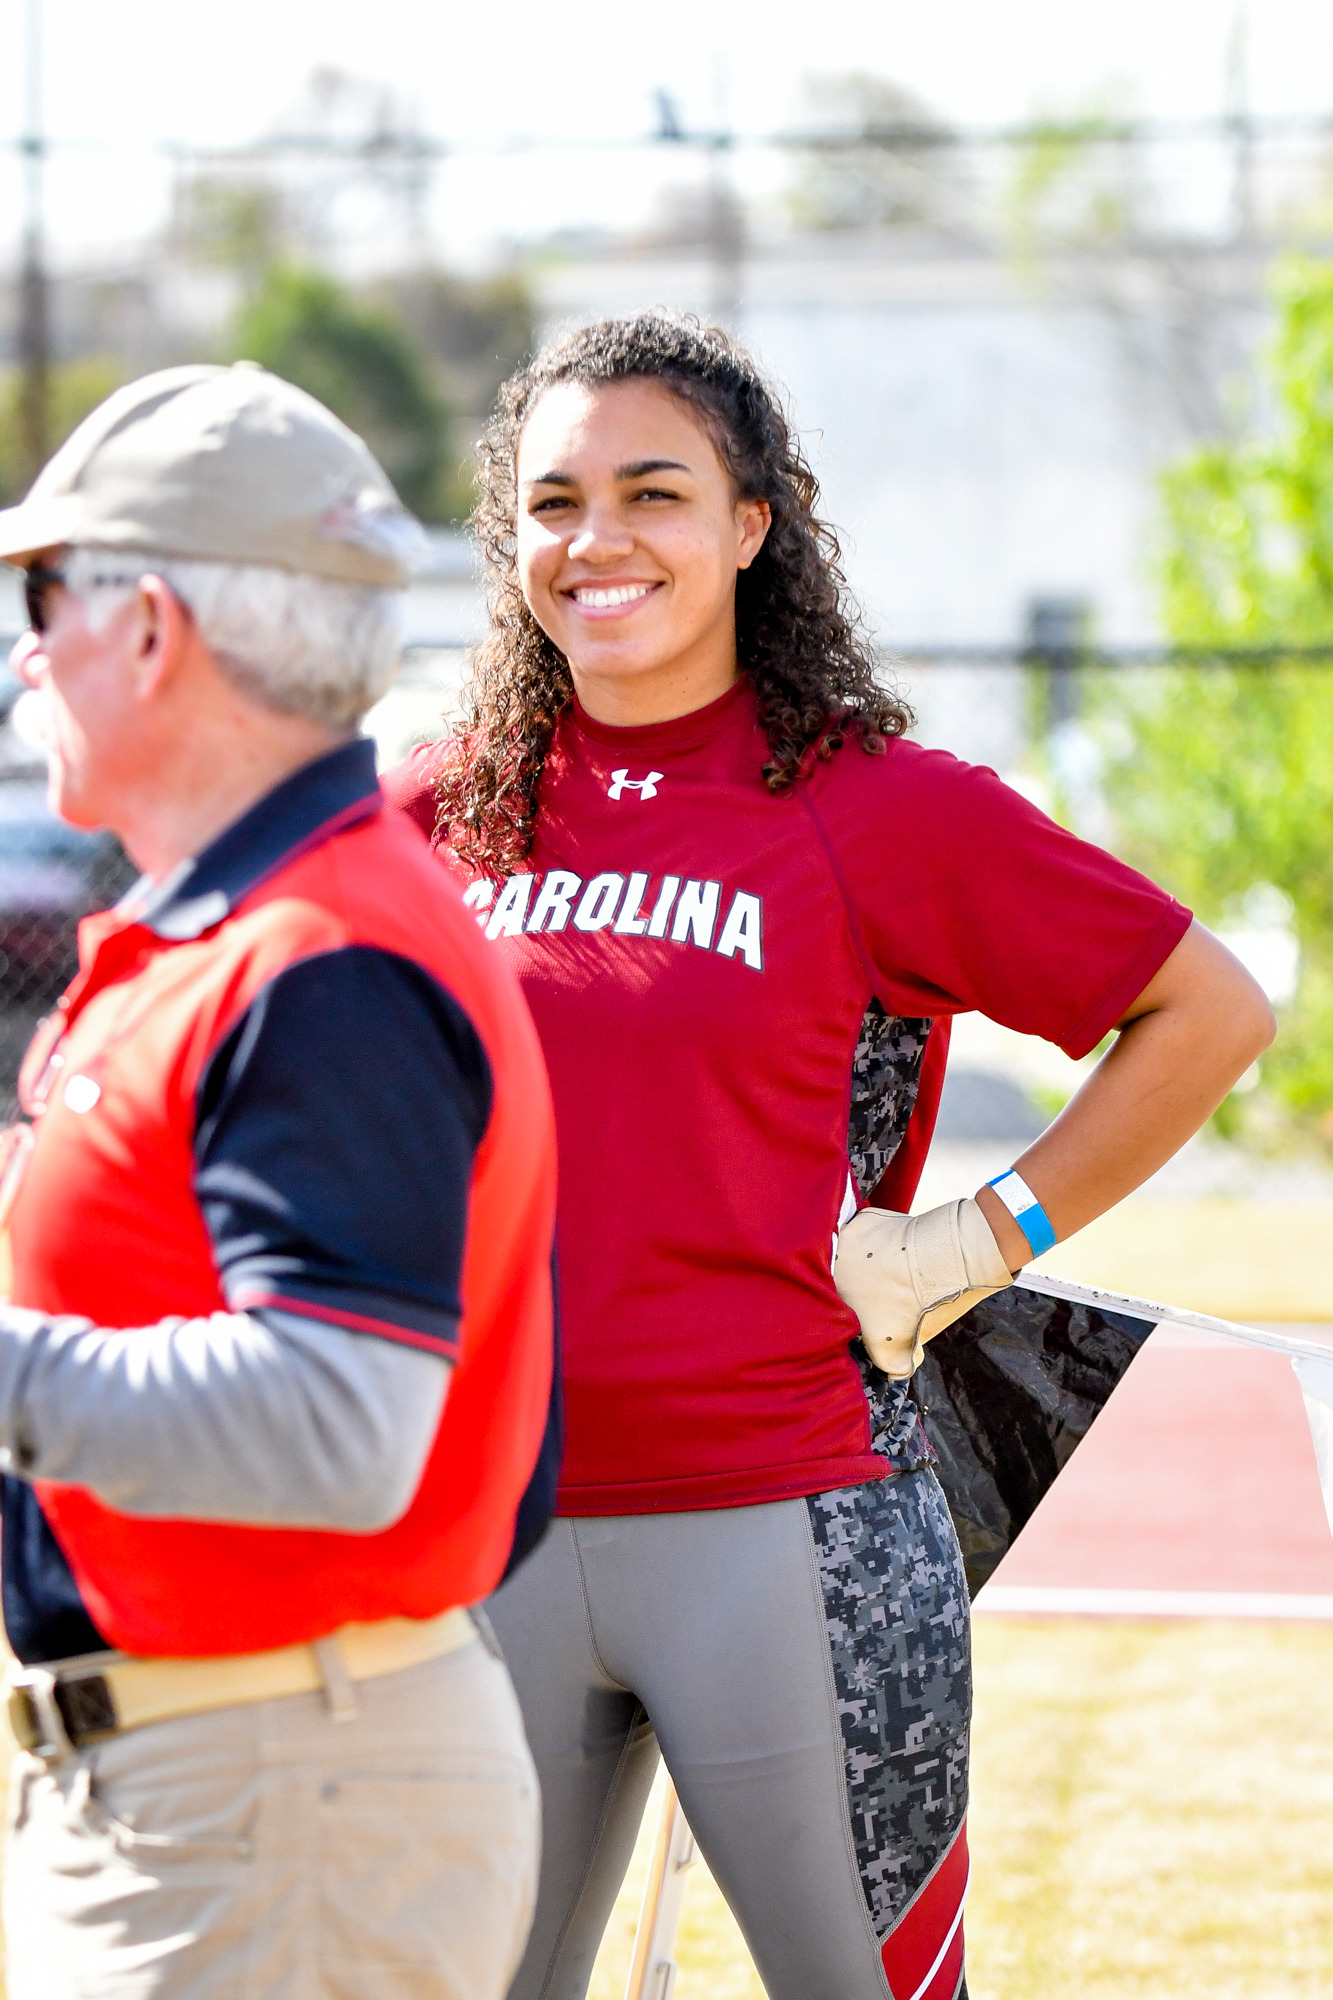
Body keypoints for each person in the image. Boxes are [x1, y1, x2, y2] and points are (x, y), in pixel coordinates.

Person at [385, 315, 1274, 2000]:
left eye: (655, 492)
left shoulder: (872, 805)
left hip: (786, 1531)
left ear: (751, 525)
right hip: (489, 1533)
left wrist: (983, 1237)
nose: (599, 539)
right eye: (556, 501)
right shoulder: (435, 812)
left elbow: (1207, 1010)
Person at [0, 362, 557, 2000]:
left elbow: (335, 1424)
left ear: (151, 629)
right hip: (237, 1787)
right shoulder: (268, 927)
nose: (25, 654)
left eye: (43, 598)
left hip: (276, 1794)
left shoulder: (318, 956)